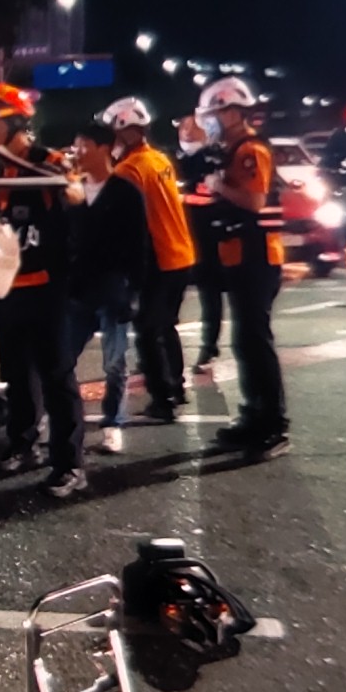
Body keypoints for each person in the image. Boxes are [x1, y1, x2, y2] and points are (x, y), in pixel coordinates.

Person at [0, 83, 87, 497]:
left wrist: (65, 186)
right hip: (8, 289)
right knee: (17, 375)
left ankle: (69, 464)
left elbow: (76, 195)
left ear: (13, 121)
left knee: (57, 376)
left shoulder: (47, 162)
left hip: (47, 289)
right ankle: (23, 443)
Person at [197, 78, 291, 456]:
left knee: (255, 340)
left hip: (257, 257)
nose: (210, 121)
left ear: (234, 112)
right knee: (244, 342)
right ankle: (254, 416)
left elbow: (253, 201)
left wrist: (218, 186)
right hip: (239, 256)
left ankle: (273, 424)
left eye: (215, 113)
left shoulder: (251, 150)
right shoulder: (231, 150)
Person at [99, 97, 197, 423]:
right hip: (181, 252)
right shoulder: (158, 158)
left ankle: (163, 399)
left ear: (127, 132)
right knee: (166, 326)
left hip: (158, 256)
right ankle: (176, 387)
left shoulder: (129, 169)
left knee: (147, 330)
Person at [67, 123, 151, 455]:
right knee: (63, 359)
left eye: (83, 145)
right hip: (77, 290)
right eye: (75, 146)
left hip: (113, 288)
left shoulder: (125, 193)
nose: (77, 152)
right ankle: (63, 421)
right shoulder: (71, 191)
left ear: (104, 148)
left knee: (114, 363)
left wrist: (135, 291)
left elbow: (139, 245)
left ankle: (113, 422)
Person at [176, 113, 228, 374]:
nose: (186, 131)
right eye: (183, 127)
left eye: (193, 126)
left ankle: (209, 345)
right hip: (179, 236)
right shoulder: (173, 157)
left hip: (206, 236)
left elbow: (211, 195)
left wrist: (182, 196)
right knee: (169, 297)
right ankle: (159, 352)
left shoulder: (214, 158)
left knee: (210, 293)